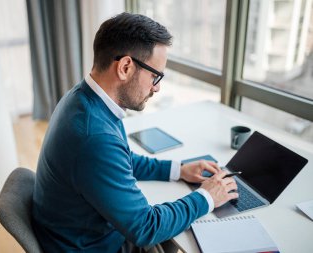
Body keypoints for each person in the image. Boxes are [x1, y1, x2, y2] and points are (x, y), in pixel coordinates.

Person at [32, 12, 239, 253]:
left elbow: (122, 159)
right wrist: (207, 197)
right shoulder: (94, 136)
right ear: (125, 67)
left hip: (83, 233)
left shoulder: (85, 100)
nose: (157, 88)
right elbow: (145, 228)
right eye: (155, 75)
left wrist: (178, 170)